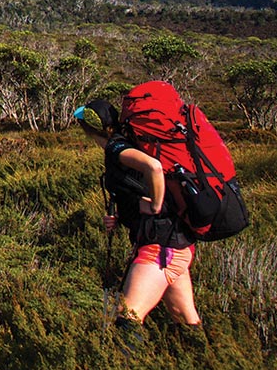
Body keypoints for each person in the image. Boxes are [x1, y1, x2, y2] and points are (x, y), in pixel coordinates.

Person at [72, 97, 202, 331]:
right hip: (174, 242)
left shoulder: (116, 148)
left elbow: (154, 167)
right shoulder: (128, 142)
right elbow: (137, 186)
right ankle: (208, 362)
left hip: (161, 246)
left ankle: (122, 366)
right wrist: (122, 216)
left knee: (128, 316)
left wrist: (155, 206)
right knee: (184, 319)